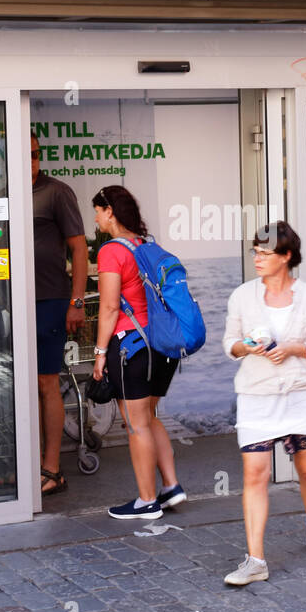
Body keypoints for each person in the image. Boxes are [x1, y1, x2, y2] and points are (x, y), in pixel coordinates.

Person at [220, 220, 306, 585]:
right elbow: (230, 344)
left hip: (303, 393)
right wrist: (246, 347)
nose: (257, 258)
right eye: (255, 251)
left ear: (286, 257)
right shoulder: (242, 295)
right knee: (255, 474)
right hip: (257, 395)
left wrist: (293, 348)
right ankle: (255, 560)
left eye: (265, 253)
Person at [90, 185, 184, 520]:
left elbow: (110, 307)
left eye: (98, 211)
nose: (96, 218)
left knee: (136, 425)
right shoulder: (147, 244)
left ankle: (147, 501)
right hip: (161, 346)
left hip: (131, 346)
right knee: (148, 417)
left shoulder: (111, 251)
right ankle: (171, 486)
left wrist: (100, 352)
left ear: (110, 212)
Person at [32, 134, 88, 497]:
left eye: (35, 155)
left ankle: (52, 469)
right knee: (21, 387)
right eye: (23, 155)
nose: (30, 162)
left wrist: (77, 302)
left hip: (50, 300)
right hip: (11, 303)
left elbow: (79, 248)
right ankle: (29, 466)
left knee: (45, 383)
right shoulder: (2, 191)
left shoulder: (56, 192)